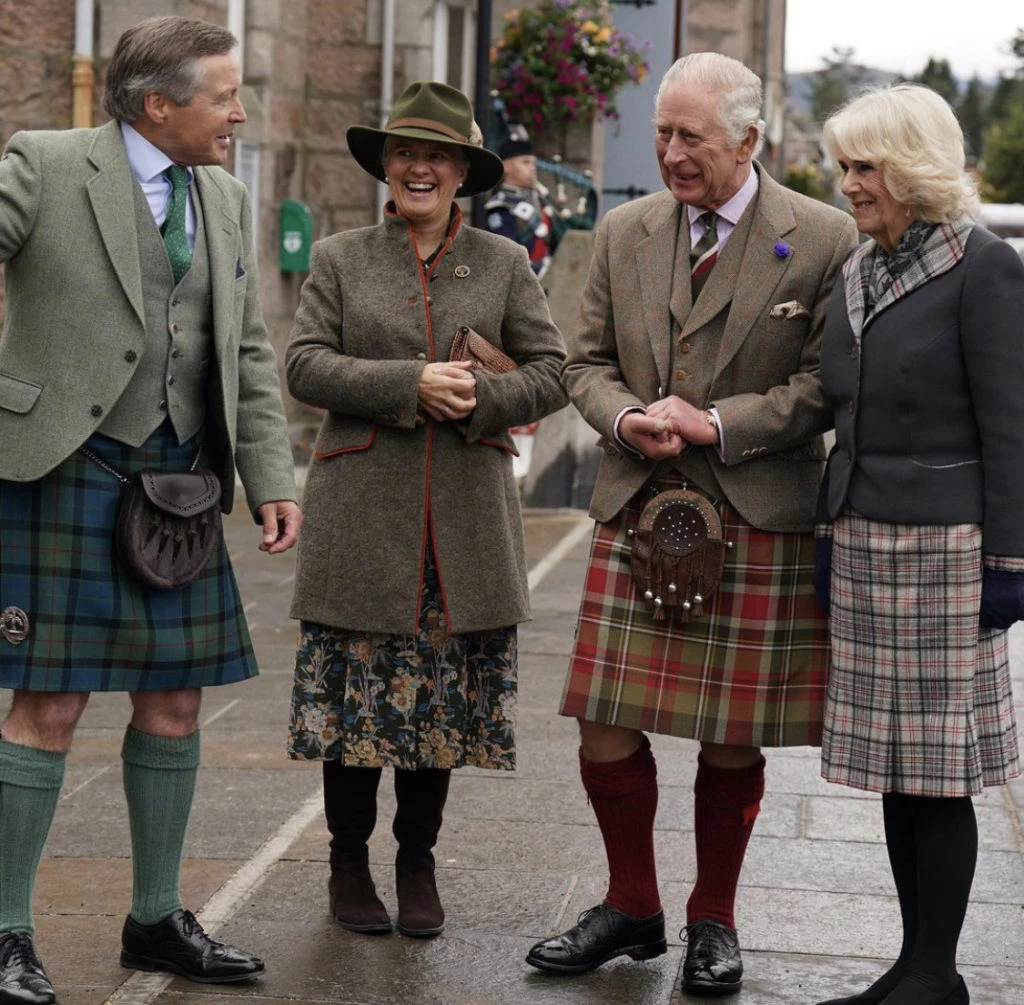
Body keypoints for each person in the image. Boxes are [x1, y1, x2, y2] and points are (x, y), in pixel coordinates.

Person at [525, 52, 858, 996]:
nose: (671, 153)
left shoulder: (822, 235)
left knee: (731, 731)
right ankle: (632, 902)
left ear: (749, 140)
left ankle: (715, 917)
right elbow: (583, 363)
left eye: (691, 138)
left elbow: (824, 386)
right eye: (662, 133)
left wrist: (715, 422)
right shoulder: (625, 230)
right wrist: (626, 416)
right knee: (602, 716)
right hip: (639, 502)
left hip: (755, 509)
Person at [0, 16, 301, 1001]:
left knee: (174, 699)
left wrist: (272, 477)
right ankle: (5, 932)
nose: (239, 112)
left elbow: (245, 348)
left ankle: (157, 918)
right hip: (63, 467)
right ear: (158, 104)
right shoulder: (46, 164)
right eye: (225, 95)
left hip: (179, 482)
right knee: (49, 703)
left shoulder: (224, 195)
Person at [285, 81, 566, 940]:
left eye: (437, 157)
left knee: (436, 710)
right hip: (361, 521)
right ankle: (347, 863)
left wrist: (480, 396)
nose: (419, 169)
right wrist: (408, 383)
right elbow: (303, 364)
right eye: (406, 153)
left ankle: (417, 861)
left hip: (463, 526)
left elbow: (552, 373)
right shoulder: (339, 256)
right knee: (355, 709)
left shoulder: (504, 262)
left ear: (461, 172)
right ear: (386, 165)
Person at [812, 84, 1024, 1005]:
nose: (849, 183)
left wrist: (1011, 564)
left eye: (866, 166)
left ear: (913, 167)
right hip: (863, 540)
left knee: (940, 773)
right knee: (899, 766)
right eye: (845, 166)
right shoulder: (860, 265)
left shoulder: (985, 267)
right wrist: (830, 528)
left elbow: (1013, 426)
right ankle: (911, 966)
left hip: (947, 554)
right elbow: (843, 405)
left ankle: (938, 972)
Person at [484, 125, 568, 279]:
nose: (532, 168)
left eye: (533, 163)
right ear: (506, 166)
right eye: (525, 162)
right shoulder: (500, 206)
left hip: (550, 280)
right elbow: (506, 257)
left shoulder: (540, 199)